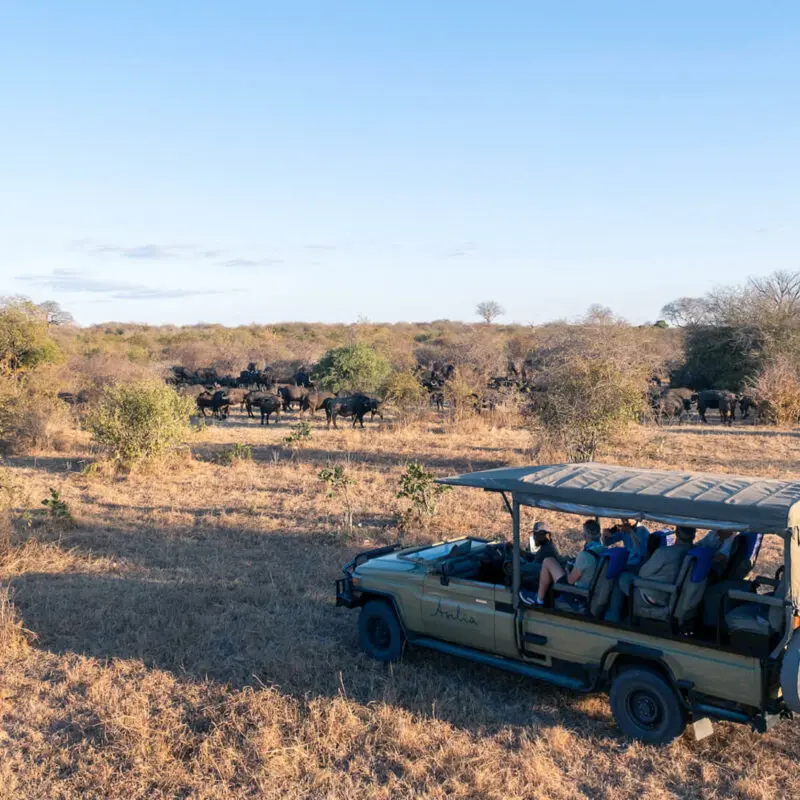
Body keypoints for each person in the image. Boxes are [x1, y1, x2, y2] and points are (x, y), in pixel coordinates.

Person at [605, 525, 696, 622]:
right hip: (676, 597)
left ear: (676, 534)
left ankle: (613, 617)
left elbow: (643, 573)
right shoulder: (694, 552)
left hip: (654, 596)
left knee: (622, 577)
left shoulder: (665, 553)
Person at [520, 519, 604, 606]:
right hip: (588, 590)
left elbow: (570, 580)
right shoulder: (602, 549)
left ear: (585, 536)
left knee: (548, 561)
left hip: (577, 594)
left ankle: (538, 600)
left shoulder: (585, 555)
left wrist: (567, 569)